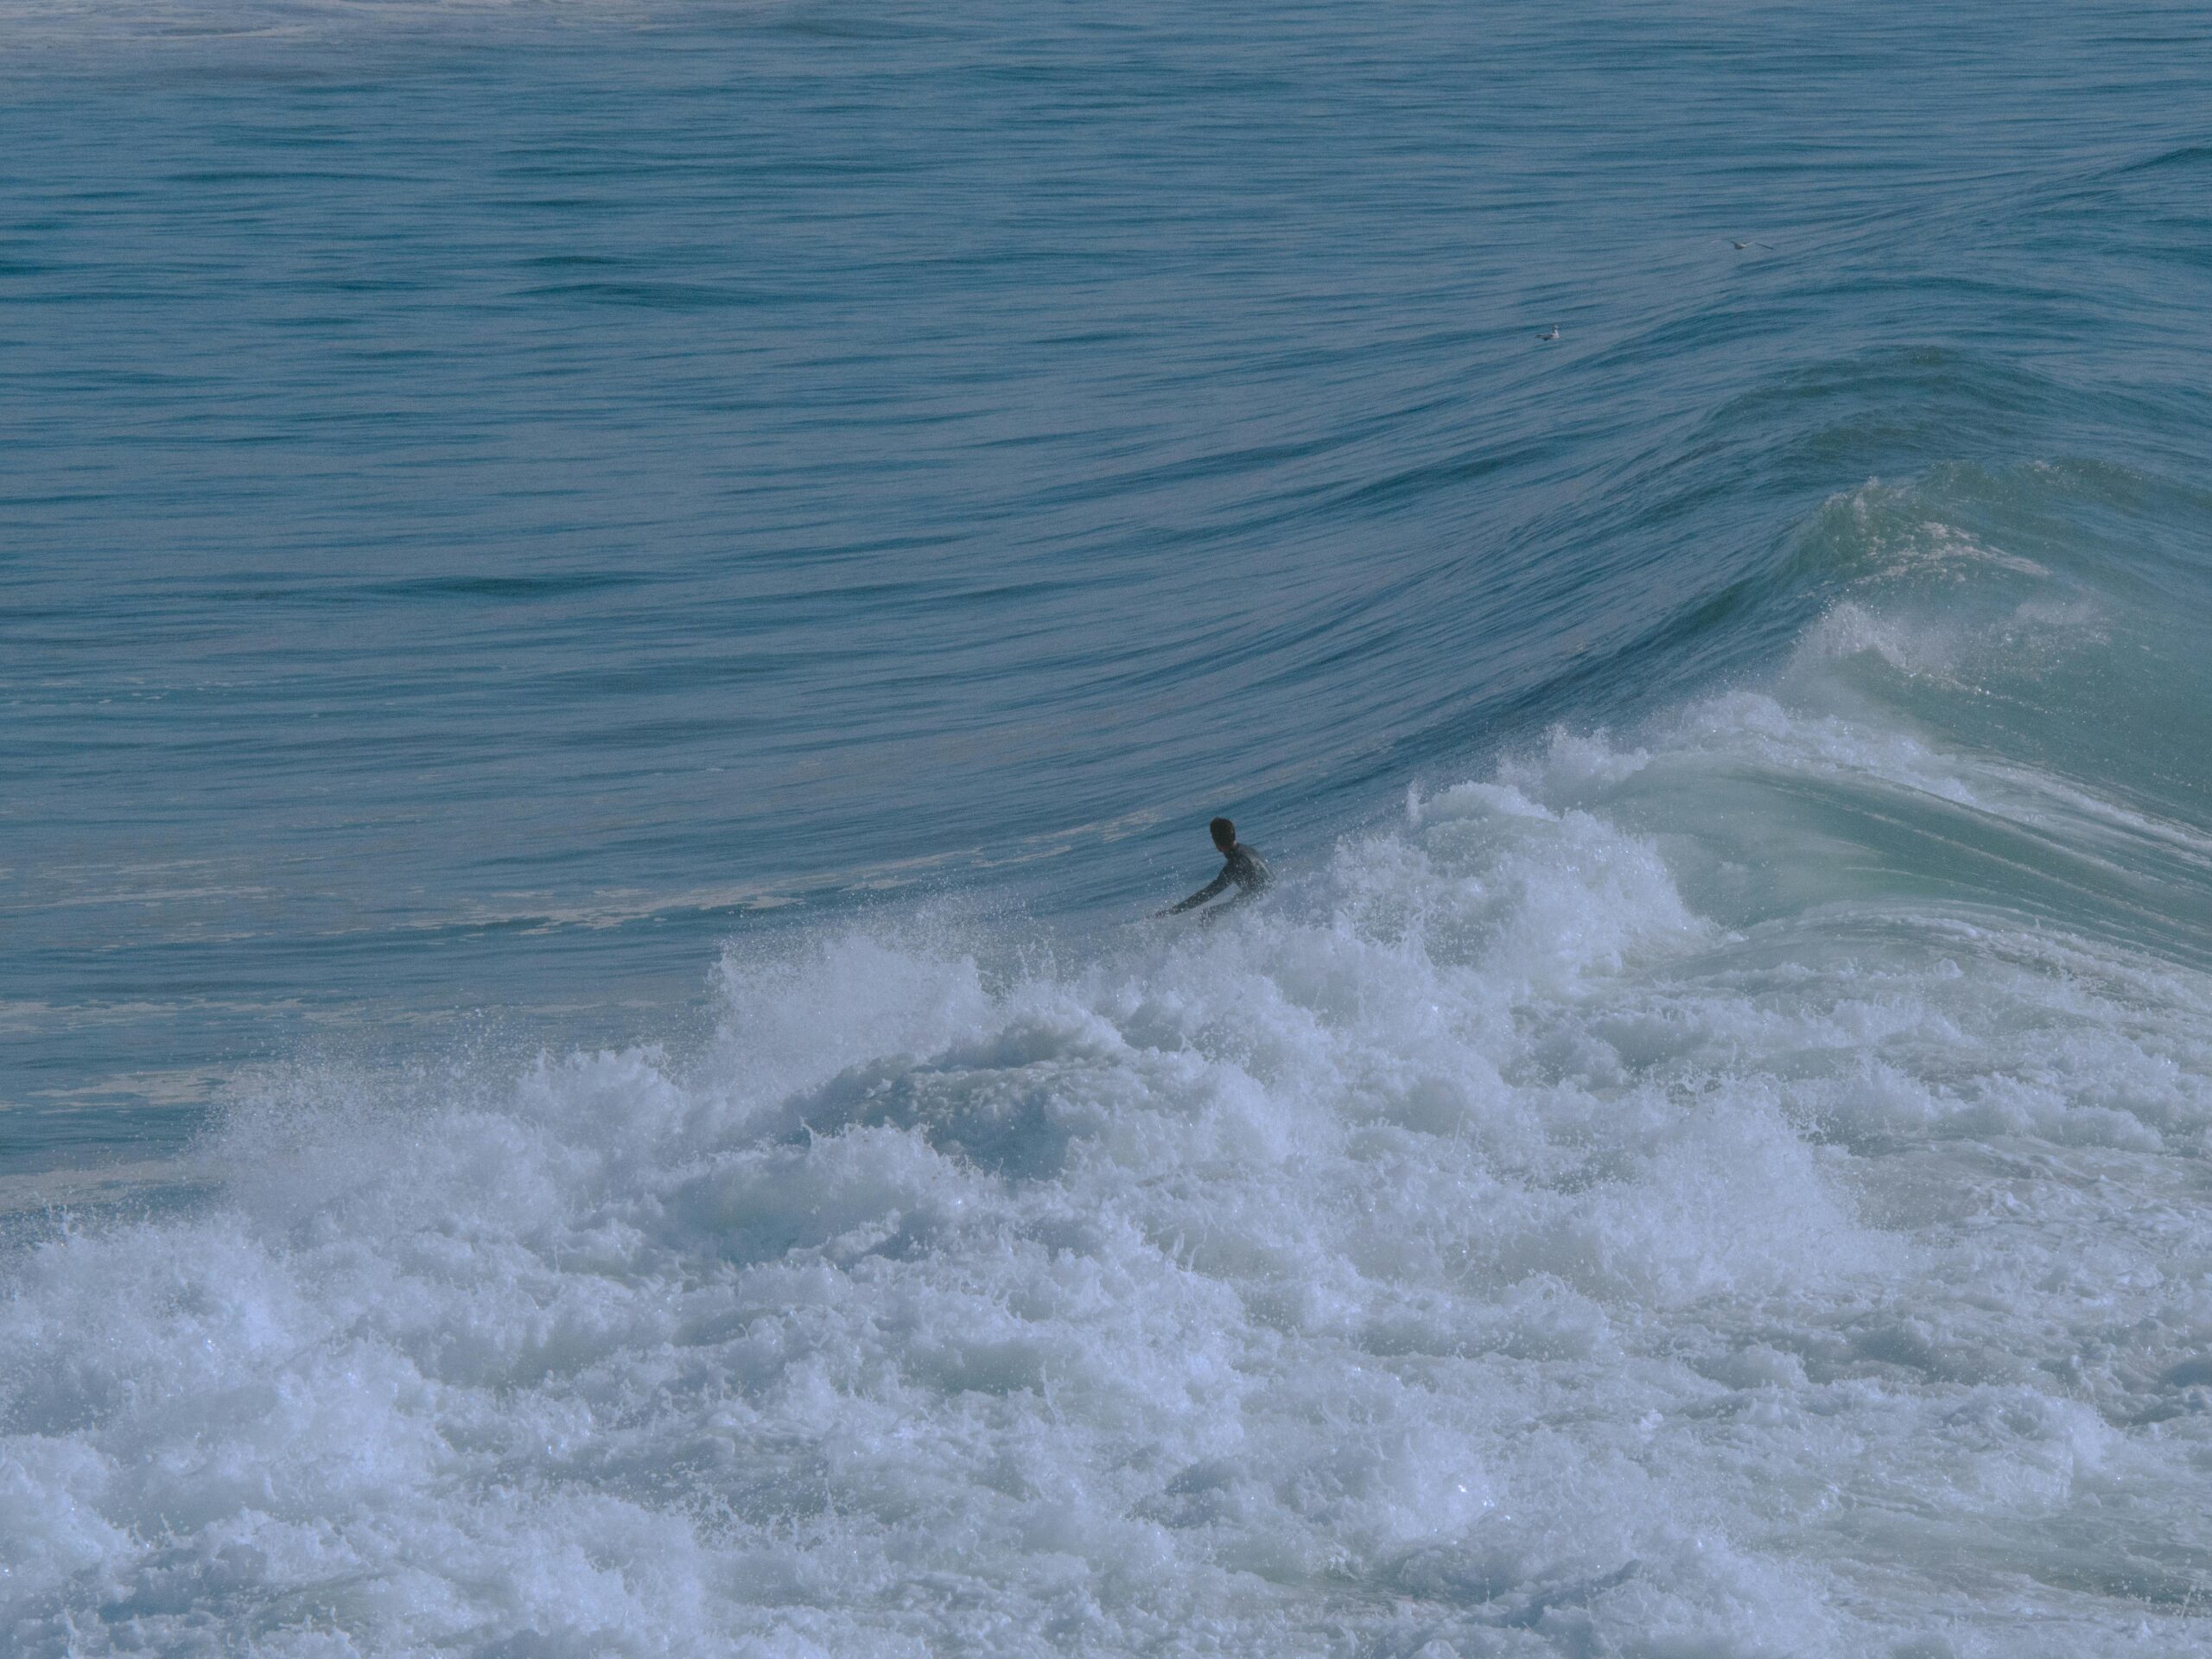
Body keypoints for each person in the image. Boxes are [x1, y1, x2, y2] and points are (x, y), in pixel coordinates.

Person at [1157, 817, 1272, 918]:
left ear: (1217, 846)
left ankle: (1208, 943)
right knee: (1237, 898)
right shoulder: (1248, 849)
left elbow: (1208, 893)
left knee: (1207, 914)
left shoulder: (1235, 864)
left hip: (1261, 900)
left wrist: (1172, 911)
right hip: (1272, 894)